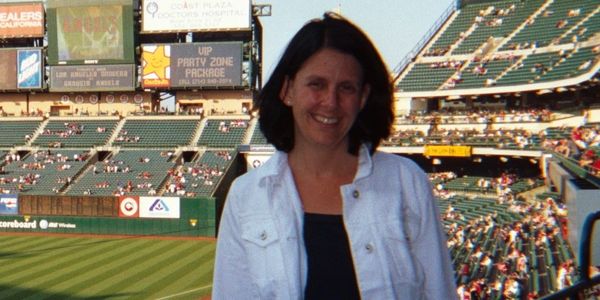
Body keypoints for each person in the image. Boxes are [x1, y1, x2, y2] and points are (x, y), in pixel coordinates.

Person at [212, 13, 457, 299]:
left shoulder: (406, 182)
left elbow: (439, 292)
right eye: (317, 84)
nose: (330, 102)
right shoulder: (246, 195)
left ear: (363, 97)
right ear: (288, 90)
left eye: (346, 88)